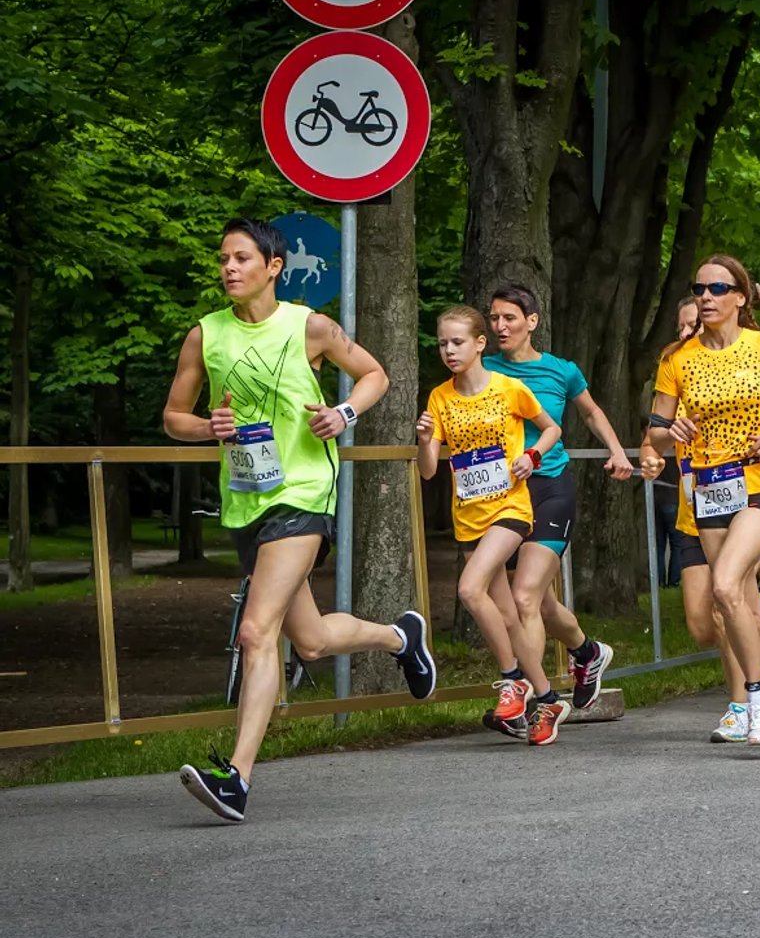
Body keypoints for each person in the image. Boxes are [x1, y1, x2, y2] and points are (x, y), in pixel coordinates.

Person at [166, 218, 435, 822]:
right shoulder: (203, 335)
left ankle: (236, 778)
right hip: (244, 499)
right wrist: (207, 427)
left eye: (241, 257)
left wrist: (343, 413)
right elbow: (173, 418)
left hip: (304, 494)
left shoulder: (309, 325)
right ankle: (400, 638)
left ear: (273, 266)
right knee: (309, 641)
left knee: (257, 633)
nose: (229, 268)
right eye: (223, 258)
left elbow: (375, 375)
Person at [648, 253, 760, 752]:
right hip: (710, 490)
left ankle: (755, 701)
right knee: (745, 607)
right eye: (699, 288)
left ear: (739, 297)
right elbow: (656, 433)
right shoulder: (677, 360)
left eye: (717, 288)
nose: (706, 296)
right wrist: (670, 434)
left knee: (726, 586)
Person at [482, 286, 634, 731]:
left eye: (510, 318)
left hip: (549, 486)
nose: (500, 327)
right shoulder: (484, 368)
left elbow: (589, 412)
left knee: (525, 595)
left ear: (532, 321)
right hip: (502, 494)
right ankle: (587, 652)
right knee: (541, 603)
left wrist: (616, 451)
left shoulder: (560, 370)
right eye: (493, 319)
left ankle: (533, 702)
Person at [417, 305, 568, 743]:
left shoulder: (509, 388)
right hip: (469, 516)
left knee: (469, 589)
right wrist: (426, 441)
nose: (449, 350)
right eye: (443, 343)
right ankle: (547, 697)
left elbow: (551, 428)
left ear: (480, 343)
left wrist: (531, 456)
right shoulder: (440, 397)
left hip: (511, 509)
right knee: (506, 615)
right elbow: (428, 471)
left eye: (458, 342)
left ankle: (512, 681)